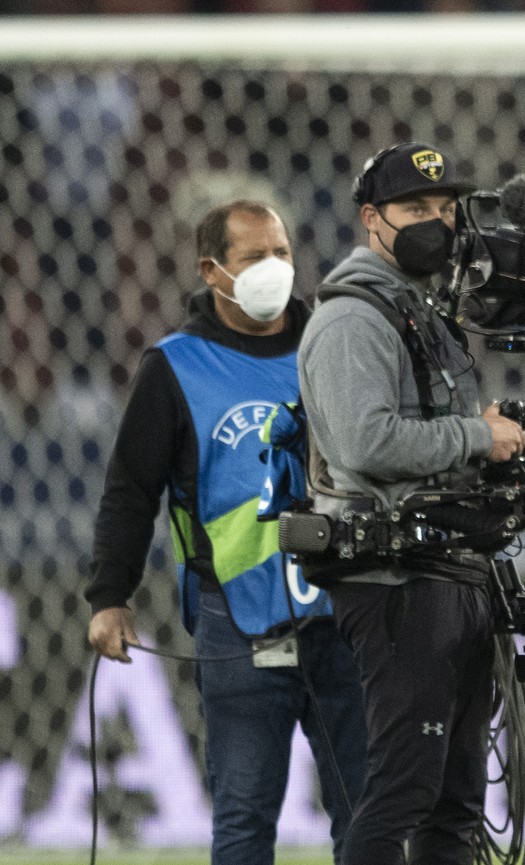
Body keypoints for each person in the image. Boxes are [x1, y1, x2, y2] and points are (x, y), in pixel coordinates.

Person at [299, 141, 525, 865]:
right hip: (393, 575)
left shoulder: (415, 311)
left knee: (454, 803)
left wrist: (519, 445)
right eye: (416, 209)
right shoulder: (352, 319)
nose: (439, 222)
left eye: (448, 208)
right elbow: (366, 443)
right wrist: (476, 435)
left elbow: (439, 448)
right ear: (371, 218)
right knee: (402, 791)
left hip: (445, 570)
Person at [85, 200, 368, 865]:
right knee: (243, 822)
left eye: (282, 252)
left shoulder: (333, 342)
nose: (275, 267)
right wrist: (109, 596)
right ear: (212, 270)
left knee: (367, 814)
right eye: (254, 256)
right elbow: (131, 491)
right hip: (238, 620)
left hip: (345, 609)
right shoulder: (174, 367)